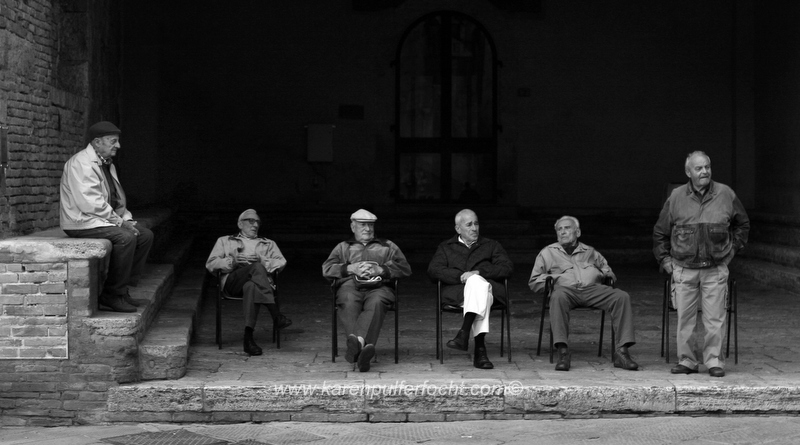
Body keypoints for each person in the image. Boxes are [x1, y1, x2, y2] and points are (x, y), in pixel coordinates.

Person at [653, 151, 750, 378]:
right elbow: (660, 232)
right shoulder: (676, 196)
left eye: (707, 167)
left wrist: (732, 251)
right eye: (699, 168)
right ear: (688, 172)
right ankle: (687, 360)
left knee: (715, 318)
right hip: (684, 268)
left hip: (715, 268)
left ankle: (714, 361)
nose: (704, 171)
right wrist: (666, 262)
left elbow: (742, 224)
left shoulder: (726, 193)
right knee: (685, 318)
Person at [60, 121, 154, 313]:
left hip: (100, 219)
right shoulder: (81, 163)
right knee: (125, 238)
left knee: (144, 235)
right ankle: (111, 294)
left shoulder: (105, 163)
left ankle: (122, 289)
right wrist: (120, 223)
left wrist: (126, 219)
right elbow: (89, 203)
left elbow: (116, 198)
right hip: (81, 221)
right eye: (113, 141)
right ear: (96, 142)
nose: (117, 146)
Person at [528, 216, 639, 372]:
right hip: (565, 292)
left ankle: (622, 352)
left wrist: (601, 273)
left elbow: (609, 272)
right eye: (559, 229)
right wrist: (553, 280)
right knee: (557, 297)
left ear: (577, 232)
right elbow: (534, 281)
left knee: (621, 297)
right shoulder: (547, 253)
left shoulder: (590, 252)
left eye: (567, 228)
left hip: (592, 289)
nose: (562, 232)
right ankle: (563, 351)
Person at [322, 209, 412, 372]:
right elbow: (327, 269)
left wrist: (381, 270)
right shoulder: (343, 247)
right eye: (363, 225)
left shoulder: (387, 246)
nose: (368, 229)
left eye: (370, 225)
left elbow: (405, 268)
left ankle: (357, 347)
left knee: (377, 302)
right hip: (350, 285)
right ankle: (363, 350)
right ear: (352, 226)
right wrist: (350, 268)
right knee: (348, 299)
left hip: (380, 286)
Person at [428, 209, 513, 370]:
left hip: (491, 290)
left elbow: (507, 268)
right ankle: (480, 349)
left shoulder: (491, 245)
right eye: (469, 224)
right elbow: (434, 271)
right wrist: (462, 276)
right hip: (457, 293)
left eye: (476, 223)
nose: (474, 228)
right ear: (458, 229)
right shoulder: (446, 247)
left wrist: (478, 273)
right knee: (480, 292)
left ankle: (464, 332)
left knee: (478, 285)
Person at [205, 209, 291, 356]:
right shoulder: (225, 241)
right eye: (251, 221)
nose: (255, 225)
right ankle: (275, 314)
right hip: (233, 282)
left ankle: (248, 338)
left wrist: (262, 261)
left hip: (255, 283)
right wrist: (232, 261)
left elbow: (281, 262)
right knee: (256, 268)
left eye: (257, 222)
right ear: (240, 224)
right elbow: (211, 264)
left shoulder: (268, 243)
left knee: (252, 285)